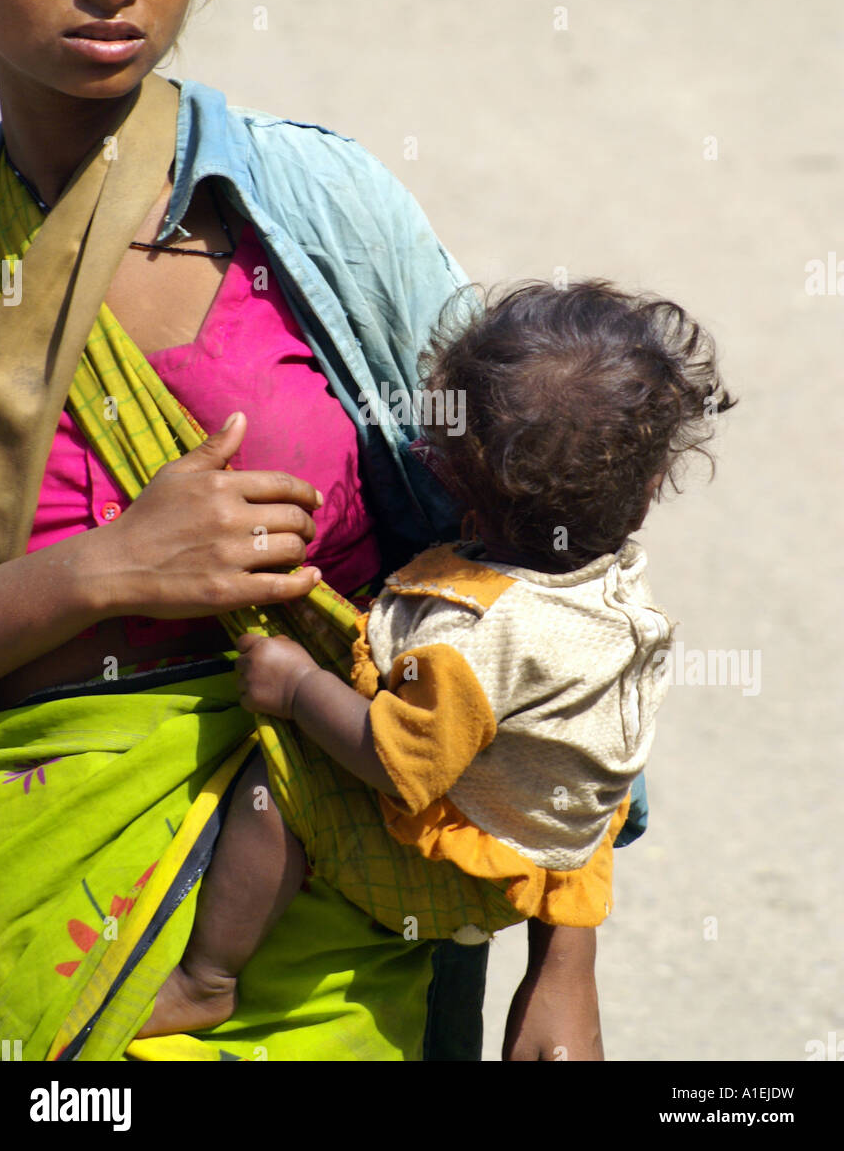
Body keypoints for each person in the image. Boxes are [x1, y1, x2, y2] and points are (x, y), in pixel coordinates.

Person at [0, 0, 648, 1062]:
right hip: (35, 901)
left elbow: (553, 574)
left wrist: (565, 955)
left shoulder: (322, 214)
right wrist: (103, 572)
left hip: (343, 894)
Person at [140, 278, 734, 1040]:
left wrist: (296, 687)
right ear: (647, 494)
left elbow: (395, 764)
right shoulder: (612, 589)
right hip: (548, 844)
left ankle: (208, 979)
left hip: (454, 868)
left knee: (281, 787)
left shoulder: (471, 639)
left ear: (456, 486)